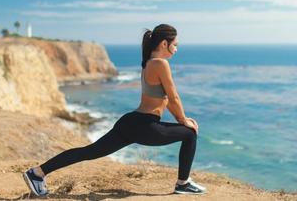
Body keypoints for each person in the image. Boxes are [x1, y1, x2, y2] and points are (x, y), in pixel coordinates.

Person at [22, 24, 206, 196]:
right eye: (175, 45)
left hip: (131, 123)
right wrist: (184, 121)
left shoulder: (149, 62)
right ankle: (183, 183)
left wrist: (182, 118)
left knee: (88, 152)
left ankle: (37, 173)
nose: (176, 49)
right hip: (145, 125)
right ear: (165, 43)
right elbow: (173, 98)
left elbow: (169, 101)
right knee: (189, 134)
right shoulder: (160, 64)